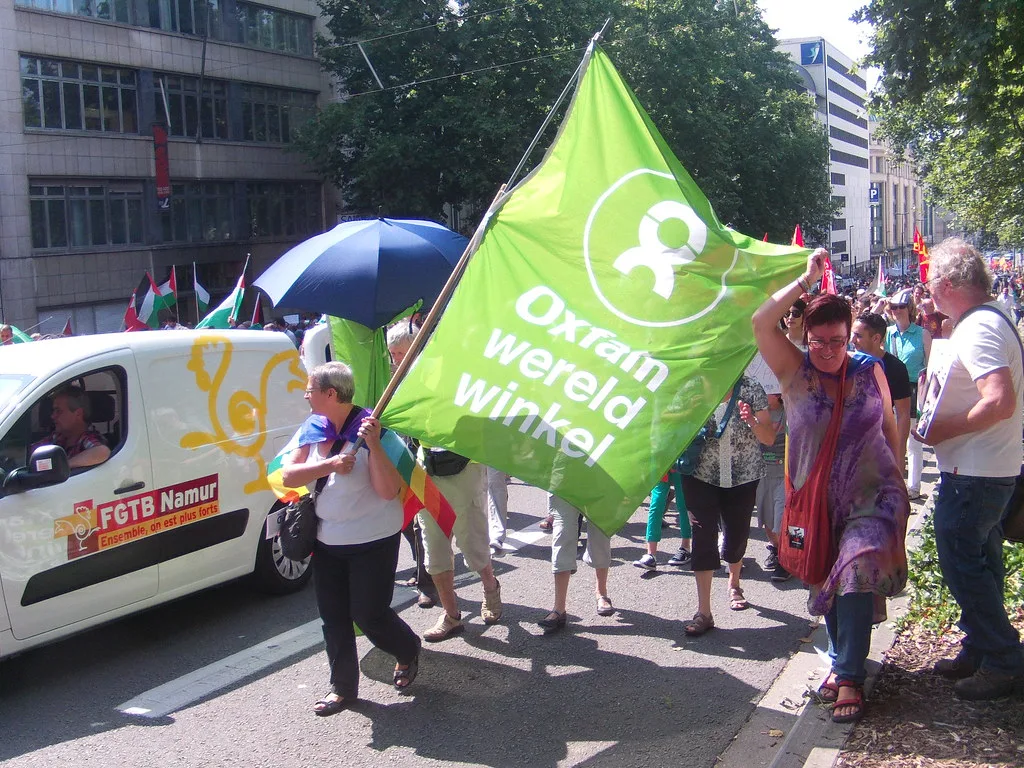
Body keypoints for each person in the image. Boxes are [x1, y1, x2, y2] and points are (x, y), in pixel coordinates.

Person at [752, 250, 909, 724]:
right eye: (819, 340)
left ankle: (850, 678)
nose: (827, 349)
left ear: (849, 335)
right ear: (807, 337)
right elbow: (760, 322)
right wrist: (807, 280)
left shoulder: (869, 369)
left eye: (837, 340)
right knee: (830, 579)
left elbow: (889, 425)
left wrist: (901, 482)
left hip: (873, 496)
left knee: (855, 572)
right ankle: (843, 661)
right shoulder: (793, 369)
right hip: (818, 501)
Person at [914, 238, 1024, 700]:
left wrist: (943, 430)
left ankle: (1002, 659)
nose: (927, 290)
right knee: (981, 562)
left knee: (963, 564)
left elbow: (998, 401)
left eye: (930, 281)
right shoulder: (986, 319)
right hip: (985, 468)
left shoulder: (979, 328)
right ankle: (982, 648)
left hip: (976, 472)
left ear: (947, 282)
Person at [280, 362, 421, 716]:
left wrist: (373, 444)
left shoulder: (374, 429)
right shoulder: (312, 427)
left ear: (331, 393)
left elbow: (388, 491)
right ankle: (342, 688)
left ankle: (407, 649)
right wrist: (330, 465)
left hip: (373, 539)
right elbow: (288, 475)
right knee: (333, 618)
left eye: (310, 390)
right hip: (327, 541)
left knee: (369, 614)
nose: (306, 396)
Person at [680, 375, 774, 637]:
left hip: (743, 476)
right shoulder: (693, 386)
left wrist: (751, 420)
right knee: (703, 536)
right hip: (700, 474)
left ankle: (734, 583)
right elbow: (670, 427)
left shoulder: (751, 387)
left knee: (736, 536)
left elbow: (768, 437)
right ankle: (704, 612)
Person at [537, 493, 613, 633]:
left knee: (600, 533)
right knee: (562, 535)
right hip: (563, 482)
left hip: (599, 482)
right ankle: (559, 608)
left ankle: (601, 593)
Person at [885, 288, 931, 501]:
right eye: (893, 307)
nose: (897, 311)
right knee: (890, 439)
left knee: (913, 441)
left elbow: (930, 367)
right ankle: (892, 484)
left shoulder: (922, 334)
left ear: (909, 308)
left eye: (901, 307)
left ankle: (913, 486)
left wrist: (927, 397)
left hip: (914, 389)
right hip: (892, 390)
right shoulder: (887, 333)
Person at [852, 312, 913, 471]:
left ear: (876, 338)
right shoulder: (846, 363)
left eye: (858, 336)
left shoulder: (896, 368)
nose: (852, 340)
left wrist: (899, 454)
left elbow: (903, 414)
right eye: (853, 334)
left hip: (880, 447)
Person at [633, 464, 691, 571]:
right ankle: (651, 555)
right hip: (660, 462)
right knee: (656, 504)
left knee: (682, 504)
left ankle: (685, 547)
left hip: (680, 461)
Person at [36, 386, 111, 469]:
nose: (53, 416)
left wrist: (62, 466)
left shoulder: (88, 438)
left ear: (78, 413)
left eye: (58, 411)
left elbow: (102, 451)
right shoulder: (58, 437)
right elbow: (31, 451)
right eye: (53, 411)